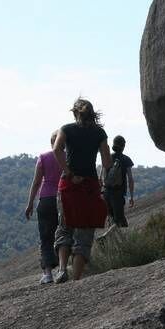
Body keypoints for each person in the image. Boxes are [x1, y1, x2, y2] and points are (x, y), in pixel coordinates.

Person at [52, 98, 111, 283]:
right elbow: (107, 162)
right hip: (90, 185)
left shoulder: (67, 129)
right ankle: (76, 279)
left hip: (69, 184)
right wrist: (101, 177)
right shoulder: (99, 133)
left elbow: (56, 149)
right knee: (85, 232)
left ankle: (61, 270)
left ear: (75, 112)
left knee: (64, 226)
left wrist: (68, 172)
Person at [24, 131, 61, 284]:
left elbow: (36, 182)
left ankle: (47, 274)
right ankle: (62, 268)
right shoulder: (68, 157)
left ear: (52, 142)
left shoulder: (44, 157)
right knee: (63, 233)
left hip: (45, 199)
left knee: (46, 237)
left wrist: (30, 203)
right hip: (63, 199)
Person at [102, 135, 135, 227]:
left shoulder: (108, 157)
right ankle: (119, 240)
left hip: (106, 192)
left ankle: (112, 240)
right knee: (120, 222)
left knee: (111, 220)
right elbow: (130, 179)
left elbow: (103, 175)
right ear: (123, 146)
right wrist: (131, 196)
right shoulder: (126, 159)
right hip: (118, 193)